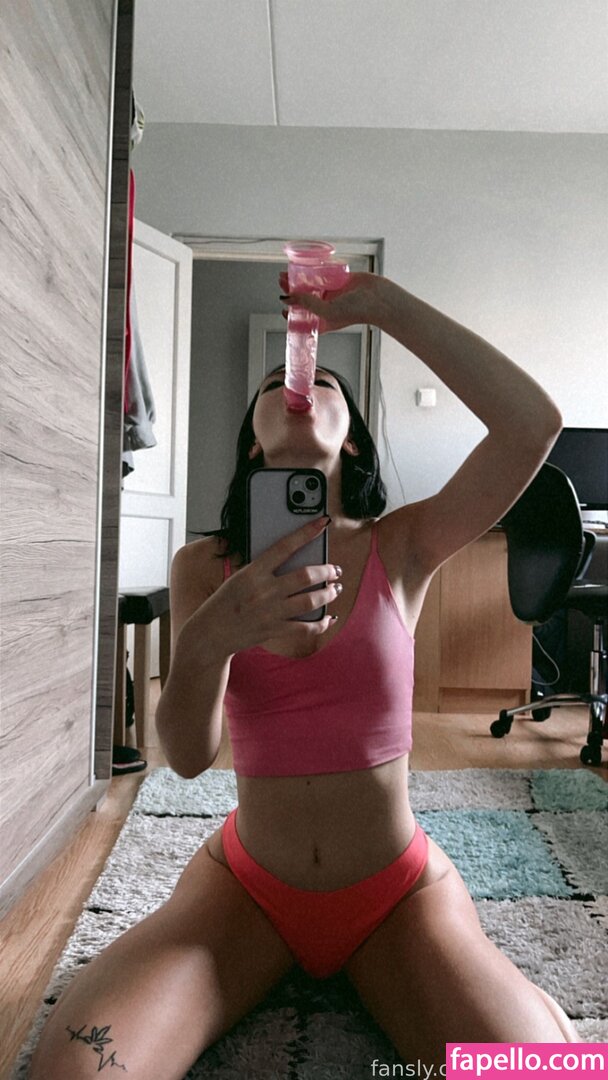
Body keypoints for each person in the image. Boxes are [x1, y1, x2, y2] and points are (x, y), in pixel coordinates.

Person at [31, 271, 578, 1080]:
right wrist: (211, 640)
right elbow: (188, 756)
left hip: (396, 894)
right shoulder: (204, 567)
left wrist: (383, 306)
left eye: (325, 381)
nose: (297, 383)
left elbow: (534, 424)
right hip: (248, 890)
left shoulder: (406, 546)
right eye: (273, 386)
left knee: (538, 1072)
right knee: (77, 1069)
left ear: (351, 438)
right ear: (253, 444)